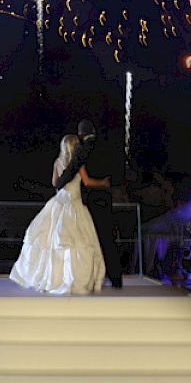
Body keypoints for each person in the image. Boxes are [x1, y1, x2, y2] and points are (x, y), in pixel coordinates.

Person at [9, 133, 107, 295]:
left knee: (50, 239)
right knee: (78, 240)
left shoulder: (58, 162)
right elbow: (87, 182)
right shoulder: (78, 164)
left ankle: (51, 277)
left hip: (59, 202)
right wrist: (102, 183)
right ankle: (74, 278)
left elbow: (55, 183)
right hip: (74, 203)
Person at [54, 119, 123, 290]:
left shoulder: (83, 149)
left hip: (91, 200)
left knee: (88, 240)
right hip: (105, 198)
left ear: (81, 134)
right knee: (106, 238)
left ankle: (83, 277)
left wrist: (59, 183)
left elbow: (73, 170)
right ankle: (115, 279)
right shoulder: (106, 147)